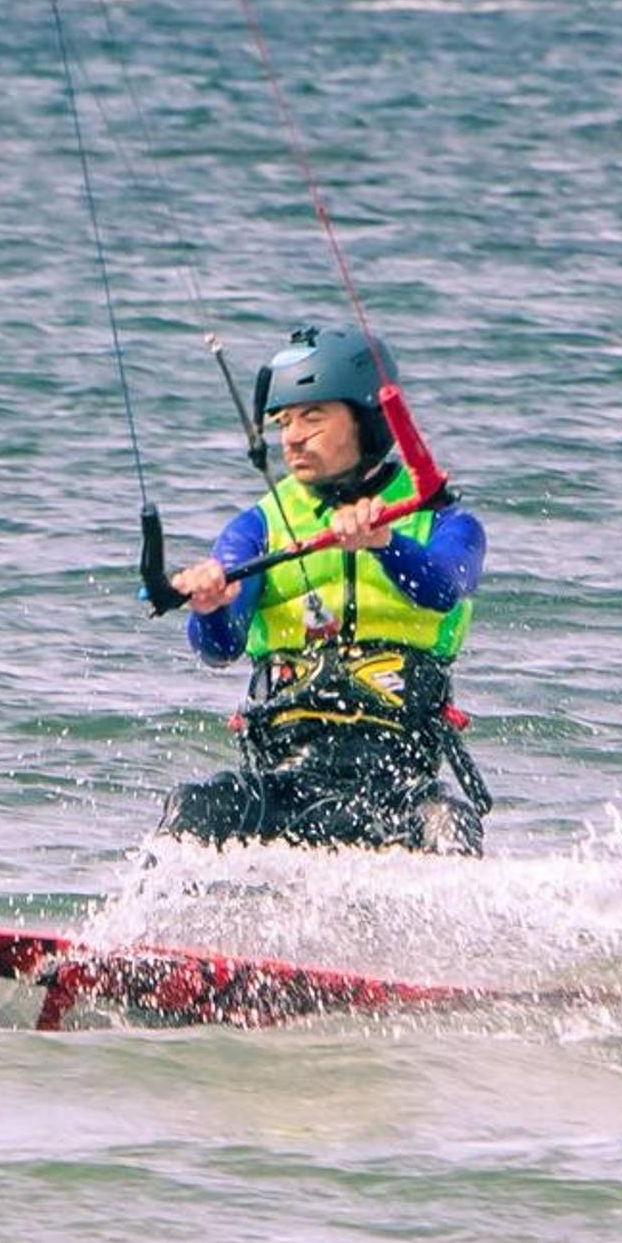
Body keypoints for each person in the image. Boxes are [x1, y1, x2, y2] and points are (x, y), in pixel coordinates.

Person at [159, 327, 491, 852]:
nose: (291, 437)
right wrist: (210, 607)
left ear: (367, 419)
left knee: (449, 819)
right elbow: (220, 648)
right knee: (194, 804)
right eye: (284, 421)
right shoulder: (256, 528)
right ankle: (130, 934)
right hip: (283, 782)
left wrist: (383, 541)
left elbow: (443, 587)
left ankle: (464, 933)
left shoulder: (446, 522)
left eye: (313, 417)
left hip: (397, 787)